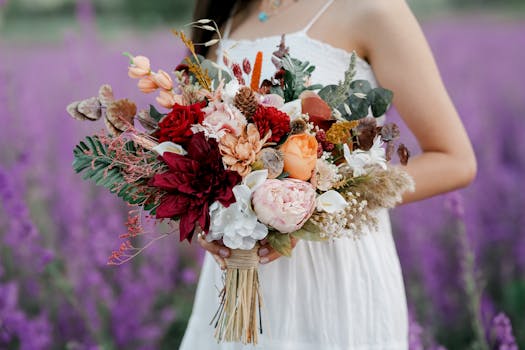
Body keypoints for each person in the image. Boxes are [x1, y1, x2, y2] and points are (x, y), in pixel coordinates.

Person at [180, 0, 477, 349]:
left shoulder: (374, 10)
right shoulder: (226, 17)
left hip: (335, 274)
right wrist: (209, 215)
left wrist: (310, 208)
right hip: (235, 278)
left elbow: (455, 160)